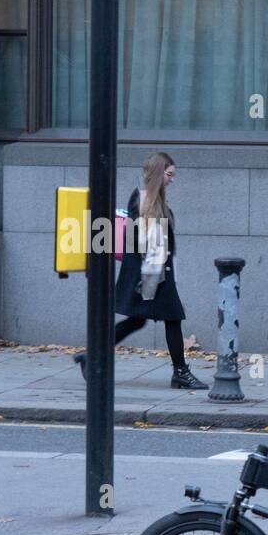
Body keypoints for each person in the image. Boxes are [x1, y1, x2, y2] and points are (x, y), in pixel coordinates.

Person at [73, 151, 207, 389]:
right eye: (169, 174)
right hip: (150, 274)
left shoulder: (153, 199)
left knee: (137, 321)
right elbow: (142, 242)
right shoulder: (143, 199)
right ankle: (180, 373)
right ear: (157, 173)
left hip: (153, 272)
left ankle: (92, 355)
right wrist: (152, 280)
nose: (172, 179)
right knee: (173, 319)